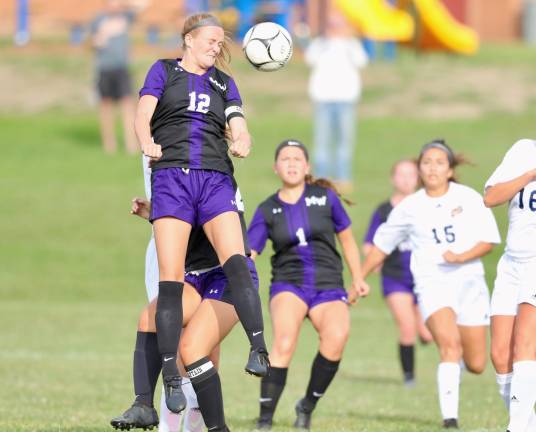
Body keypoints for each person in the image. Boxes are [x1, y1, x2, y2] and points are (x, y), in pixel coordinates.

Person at [135, 12, 269, 414]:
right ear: (188, 39)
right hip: (172, 175)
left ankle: (259, 349)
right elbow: (143, 115)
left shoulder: (224, 83)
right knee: (170, 281)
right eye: (210, 39)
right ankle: (170, 381)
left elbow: (237, 123)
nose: (216, 46)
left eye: (220, 41)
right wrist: (147, 141)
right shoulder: (163, 71)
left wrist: (242, 139)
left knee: (237, 262)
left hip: (214, 178)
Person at [361, 140, 501, 429]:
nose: (432, 167)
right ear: (419, 169)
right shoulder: (409, 207)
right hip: (432, 282)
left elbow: (489, 241)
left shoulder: (469, 198)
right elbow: (381, 246)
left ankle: (457, 371)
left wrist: (461, 256)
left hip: (470, 283)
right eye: (426, 162)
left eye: (439, 162)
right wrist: (359, 278)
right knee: (448, 347)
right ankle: (450, 419)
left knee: (476, 364)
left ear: (450, 169)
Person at [111, 189, 258, 431]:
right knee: (150, 319)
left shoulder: (216, 176)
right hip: (193, 277)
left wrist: (166, 211)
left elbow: (217, 229)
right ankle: (143, 405)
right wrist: (156, 213)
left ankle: (212, 424)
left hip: (227, 277)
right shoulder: (173, 177)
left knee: (192, 349)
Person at [247, 139, 369, 430]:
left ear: (307, 166)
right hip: (289, 284)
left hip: (328, 284)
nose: (291, 163)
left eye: (297, 158)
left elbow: (348, 240)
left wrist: (359, 277)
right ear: (276, 168)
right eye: (285, 159)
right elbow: (249, 252)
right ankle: (265, 420)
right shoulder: (267, 208)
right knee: (284, 341)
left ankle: (307, 405)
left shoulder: (325, 198)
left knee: (337, 337)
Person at [363, 159, 432, 386]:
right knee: (407, 328)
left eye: (411, 175)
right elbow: (368, 244)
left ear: (418, 178)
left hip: (424, 277)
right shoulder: (384, 211)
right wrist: (374, 260)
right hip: (395, 278)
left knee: (428, 333)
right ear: (393, 179)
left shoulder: (427, 206)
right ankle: (409, 378)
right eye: (401, 175)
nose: (405, 179)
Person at [483, 139, 536, 432]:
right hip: (511, 263)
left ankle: (515, 428)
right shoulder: (523, 150)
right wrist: (529, 174)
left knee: (525, 346)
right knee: (500, 355)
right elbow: (491, 198)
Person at [304, 10, 368, 191]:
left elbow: (361, 60)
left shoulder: (351, 45)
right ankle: (321, 177)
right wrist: (325, 41)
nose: (335, 28)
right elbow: (310, 59)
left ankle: (343, 177)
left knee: (344, 141)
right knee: (322, 140)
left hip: (346, 99)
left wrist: (348, 40)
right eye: (332, 24)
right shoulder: (320, 44)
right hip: (323, 98)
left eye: (338, 24)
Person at [90, 0, 147, 154]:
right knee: (106, 106)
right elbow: (89, 43)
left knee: (128, 104)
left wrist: (124, 4)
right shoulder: (98, 20)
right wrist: (96, 41)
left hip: (122, 68)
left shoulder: (125, 17)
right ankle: (109, 145)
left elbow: (143, 4)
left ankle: (131, 145)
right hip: (104, 68)